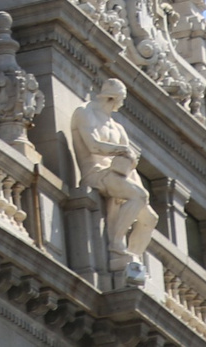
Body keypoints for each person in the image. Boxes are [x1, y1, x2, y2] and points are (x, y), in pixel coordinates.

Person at [68, 78, 154, 280]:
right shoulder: (85, 112)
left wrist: (142, 191)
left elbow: (129, 162)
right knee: (137, 196)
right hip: (96, 174)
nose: (121, 104)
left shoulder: (117, 128)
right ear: (111, 98)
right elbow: (93, 146)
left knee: (150, 218)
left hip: (117, 176)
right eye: (120, 99)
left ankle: (131, 259)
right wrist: (122, 151)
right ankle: (116, 246)